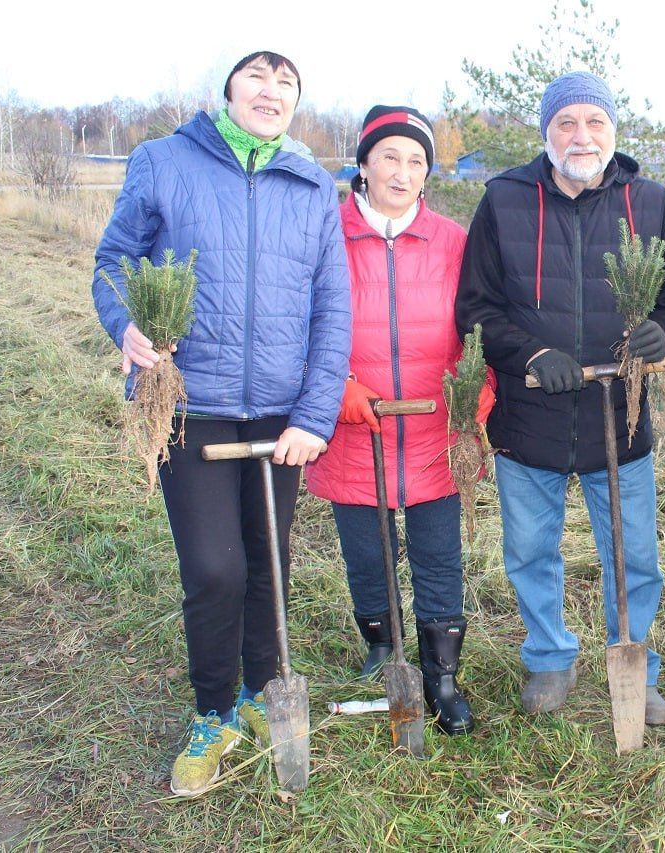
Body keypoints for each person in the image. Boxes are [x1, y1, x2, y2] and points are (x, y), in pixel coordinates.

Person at [91, 51, 349, 797]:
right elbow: (115, 260)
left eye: (287, 81)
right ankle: (213, 710)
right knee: (215, 567)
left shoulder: (310, 182)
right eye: (257, 77)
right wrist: (126, 327)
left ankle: (263, 692)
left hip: (281, 416)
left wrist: (315, 412)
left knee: (268, 565)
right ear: (227, 91)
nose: (272, 91)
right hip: (192, 404)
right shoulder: (165, 162)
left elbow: (333, 305)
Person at [455, 71, 665, 723]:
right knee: (531, 548)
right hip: (530, 413)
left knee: (634, 553)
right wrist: (529, 353)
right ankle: (550, 657)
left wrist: (660, 331)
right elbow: (475, 306)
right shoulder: (504, 200)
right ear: (546, 131)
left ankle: (634, 658)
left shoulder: (649, 201)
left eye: (595, 123)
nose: (581, 136)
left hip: (621, 412)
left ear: (613, 131)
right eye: (566, 122)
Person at [306, 105, 487, 736]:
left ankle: (441, 673)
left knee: (439, 555)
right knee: (367, 552)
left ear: (428, 173)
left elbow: (482, 335)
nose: (402, 172)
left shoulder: (455, 243)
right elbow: (297, 328)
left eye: (416, 160)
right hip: (356, 427)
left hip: (434, 429)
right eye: (389, 157)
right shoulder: (324, 236)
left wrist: (473, 401)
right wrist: (334, 389)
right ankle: (383, 648)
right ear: (363, 165)